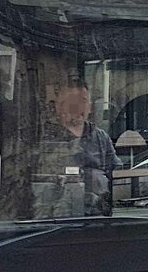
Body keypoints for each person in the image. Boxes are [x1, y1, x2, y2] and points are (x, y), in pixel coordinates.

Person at [35, 79, 120, 216]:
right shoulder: (43, 138)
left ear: (90, 106)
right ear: (58, 106)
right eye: (71, 102)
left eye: (83, 101)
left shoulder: (101, 138)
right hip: (56, 219)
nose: (77, 107)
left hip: (97, 218)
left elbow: (116, 174)